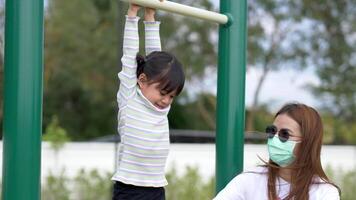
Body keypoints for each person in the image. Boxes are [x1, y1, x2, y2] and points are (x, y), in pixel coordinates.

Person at [111, 2, 185, 200]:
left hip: (157, 187)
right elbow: (129, 56)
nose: (166, 100)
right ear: (142, 80)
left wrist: (151, 15)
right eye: (163, 93)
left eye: (171, 96)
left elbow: (157, 57)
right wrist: (133, 12)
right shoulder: (129, 99)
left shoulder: (161, 109)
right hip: (130, 189)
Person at [214, 103, 340, 200]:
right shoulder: (250, 179)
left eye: (285, 134)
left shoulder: (325, 192)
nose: (274, 138)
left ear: (308, 142)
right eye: (272, 131)